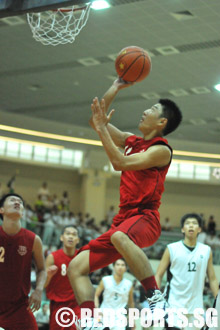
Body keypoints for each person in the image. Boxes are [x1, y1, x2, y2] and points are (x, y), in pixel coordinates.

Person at [67, 78, 182, 327]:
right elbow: (96, 122)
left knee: (120, 237)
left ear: (162, 122)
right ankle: (89, 322)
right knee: (76, 267)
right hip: (123, 221)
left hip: (145, 218)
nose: (145, 111)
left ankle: (156, 297)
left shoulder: (161, 150)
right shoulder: (132, 141)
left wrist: (100, 129)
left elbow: (119, 163)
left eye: (151, 109)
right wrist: (115, 87)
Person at [155, 213, 219, 330]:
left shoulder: (206, 251)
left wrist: (218, 299)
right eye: (187, 223)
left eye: (194, 224)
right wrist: (157, 299)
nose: (191, 226)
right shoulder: (171, 249)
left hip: (196, 308)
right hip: (174, 306)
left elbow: (212, 278)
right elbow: (158, 275)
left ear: (199, 229)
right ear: (182, 229)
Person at [0, 193, 46, 330]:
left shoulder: (33, 239)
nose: (17, 203)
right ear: (1, 210)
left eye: (20, 202)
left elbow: (42, 269)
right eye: (12, 200)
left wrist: (38, 290)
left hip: (18, 307)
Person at [45, 225, 81, 330]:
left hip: (76, 304)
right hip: (58, 305)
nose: (71, 237)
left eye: (74, 234)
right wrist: (49, 275)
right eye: (68, 234)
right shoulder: (52, 257)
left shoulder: (81, 257)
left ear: (78, 240)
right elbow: (43, 284)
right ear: (61, 238)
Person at [95, 259, 135, 330]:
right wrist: (97, 309)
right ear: (113, 267)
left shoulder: (129, 284)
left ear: (125, 268)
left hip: (119, 317)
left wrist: (131, 319)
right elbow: (96, 295)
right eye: (118, 265)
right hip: (104, 314)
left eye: (123, 265)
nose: (120, 267)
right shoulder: (105, 280)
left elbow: (131, 302)